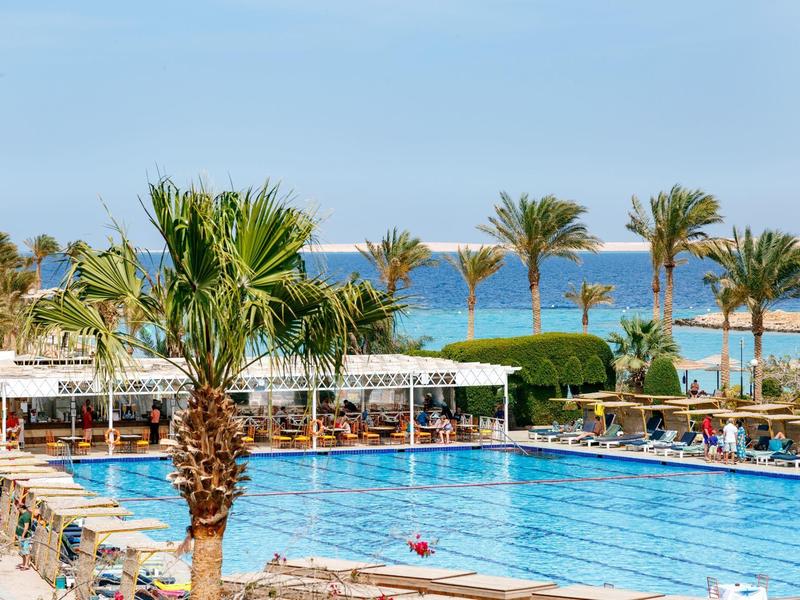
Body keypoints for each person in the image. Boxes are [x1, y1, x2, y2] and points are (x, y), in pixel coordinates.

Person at [16, 502, 36, 571]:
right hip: (21, 536)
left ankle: (26, 565)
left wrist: (22, 536)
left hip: (25, 537)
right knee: (23, 551)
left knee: (26, 550)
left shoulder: (26, 516)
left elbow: (26, 527)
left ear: (21, 508)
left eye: (18, 508)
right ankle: (23, 563)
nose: (17, 509)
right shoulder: (23, 515)